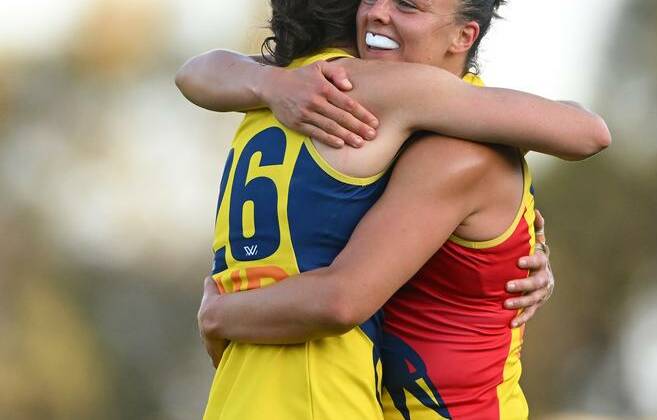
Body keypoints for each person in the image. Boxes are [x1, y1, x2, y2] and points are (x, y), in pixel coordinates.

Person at [177, 1, 610, 419]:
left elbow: (588, 131)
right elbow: (197, 70)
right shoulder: (346, 100)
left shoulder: (451, 136)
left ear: (463, 36)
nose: (377, 11)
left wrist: (221, 314)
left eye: (407, 4)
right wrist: (272, 84)